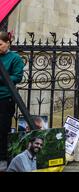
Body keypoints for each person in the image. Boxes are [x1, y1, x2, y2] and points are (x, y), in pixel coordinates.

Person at [0, 31, 25, 172]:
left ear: (7, 43)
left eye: (0, 44)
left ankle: (3, 158)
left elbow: (17, 77)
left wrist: (2, 78)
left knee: (3, 130)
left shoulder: (14, 58)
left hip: (5, 98)